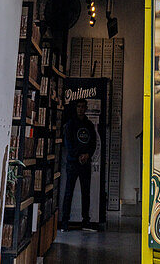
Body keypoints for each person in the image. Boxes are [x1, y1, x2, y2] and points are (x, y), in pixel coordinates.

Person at [60, 99, 97, 231]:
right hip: (72, 163)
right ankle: (65, 222)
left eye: (83, 107)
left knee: (85, 193)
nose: (81, 109)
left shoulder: (89, 125)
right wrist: (78, 156)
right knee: (68, 192)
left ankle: (86, 221)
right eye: (78, 107)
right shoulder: (70, 124)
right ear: (76, 108)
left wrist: (88, 155)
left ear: (86, 108)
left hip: (85, 164)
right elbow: (68, 143)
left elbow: (94, 142)